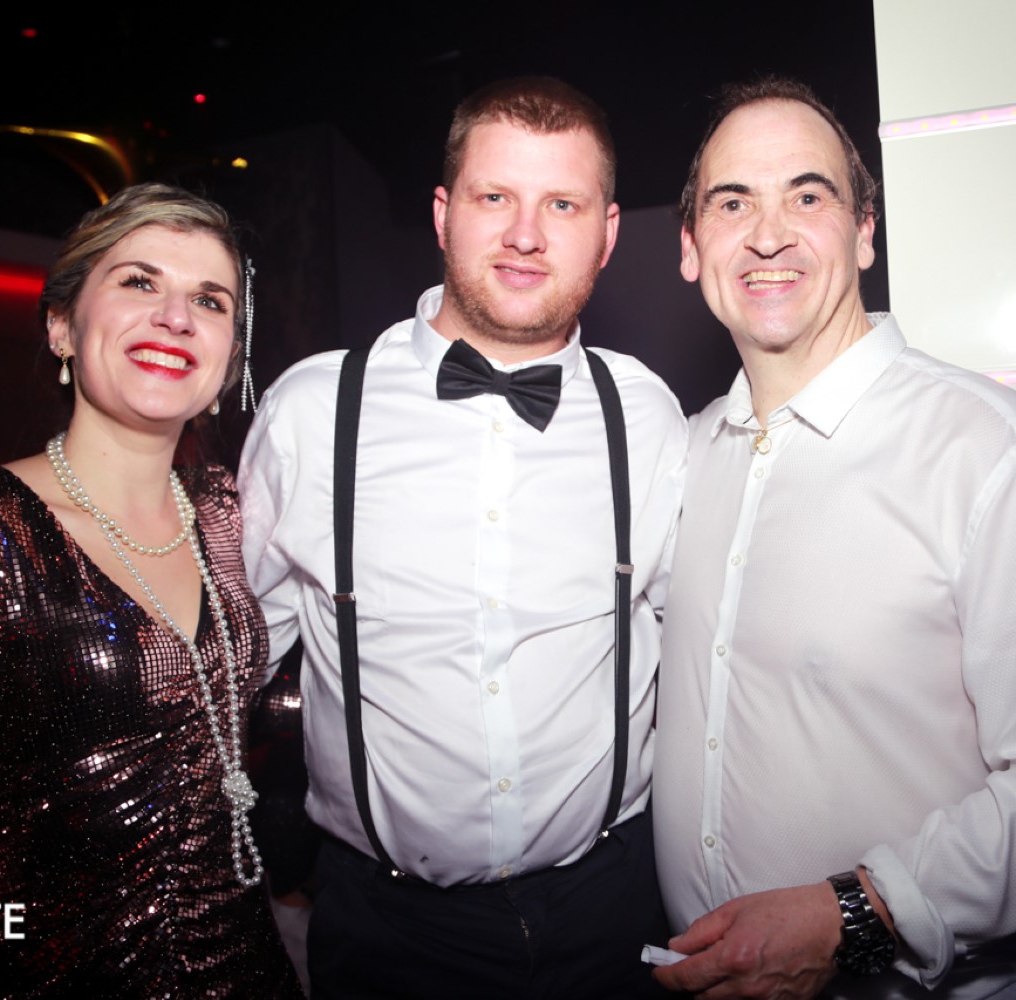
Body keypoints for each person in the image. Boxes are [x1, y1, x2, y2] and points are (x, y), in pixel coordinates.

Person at [653, 78, 1016, 999]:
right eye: (733, 203)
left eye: (808, 196)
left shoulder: (992, 452)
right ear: (691, 247)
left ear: (865, 232)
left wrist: (853, 916)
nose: (769, 235)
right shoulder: (681, 457)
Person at [239, 76, 687, 998]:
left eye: (562, 204)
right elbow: (232, 663)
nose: (526, 234)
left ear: (606, 233)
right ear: (444, 214)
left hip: (614, 910)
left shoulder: (646, 413)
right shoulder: (312, 411)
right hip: (386, 931)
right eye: (495, 197)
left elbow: (699, 648)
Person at [0, 183, 302, 997]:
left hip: (250, 969)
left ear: (230, 355)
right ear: (60, 326)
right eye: (139, 282)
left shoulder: (227, 515)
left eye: (210, 300)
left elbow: (220, 703)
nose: (176, 317)